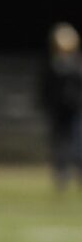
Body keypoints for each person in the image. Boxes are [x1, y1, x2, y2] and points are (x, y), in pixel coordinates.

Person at [39, 21, 82, 191]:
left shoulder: (78, 64)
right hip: (58, 112)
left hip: (76, 111)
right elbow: (45, 89)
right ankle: (62, 175)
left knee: (78, 144)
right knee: (60, 144)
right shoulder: (52, 65)